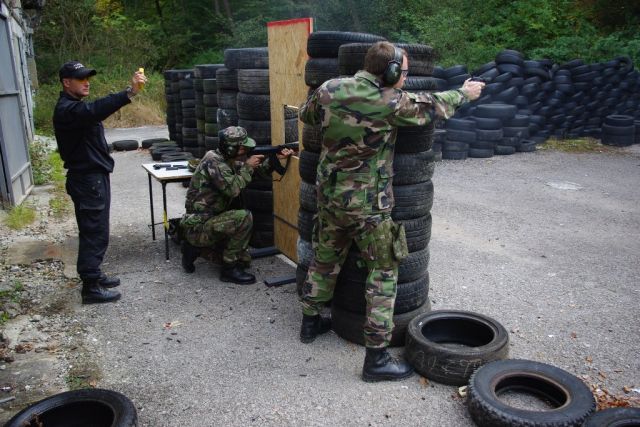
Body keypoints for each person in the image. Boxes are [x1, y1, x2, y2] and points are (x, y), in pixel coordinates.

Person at [298, 41, 484, 382]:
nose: (405, 78)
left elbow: (305, 114)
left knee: (324, 259)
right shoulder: (390, 101)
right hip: (368, 206)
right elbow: (434, 106)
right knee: (383, 274)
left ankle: (310, 322)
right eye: (404, 72)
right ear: (392, 70)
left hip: (330, 197)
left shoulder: (329, 88)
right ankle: (377, 359)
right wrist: (464, 93)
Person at [53, 61, 146, 304]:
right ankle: (91, 287)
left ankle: (94, 274)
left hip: (92, 177)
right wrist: (130, 92)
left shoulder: (75, 107)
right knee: (94, 231)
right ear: (66, 83)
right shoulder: (68, 110)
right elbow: (96, 110)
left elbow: (92, 112)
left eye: (88, 78)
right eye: (81, 79)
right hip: (87, 179)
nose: (87, 83)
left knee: (97, 229)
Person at [179, 126, 294, 284]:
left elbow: (255, 173)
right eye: (242, 148)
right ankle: (228, 269)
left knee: (244, 260)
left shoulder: (226, 159)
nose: (245, 150)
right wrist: (248, 166)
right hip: (200, 224)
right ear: (230, 148)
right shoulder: (214, 162)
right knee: (244, 217)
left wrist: (275, 159)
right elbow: (233, 189)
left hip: (211, 218)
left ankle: (194, 248)